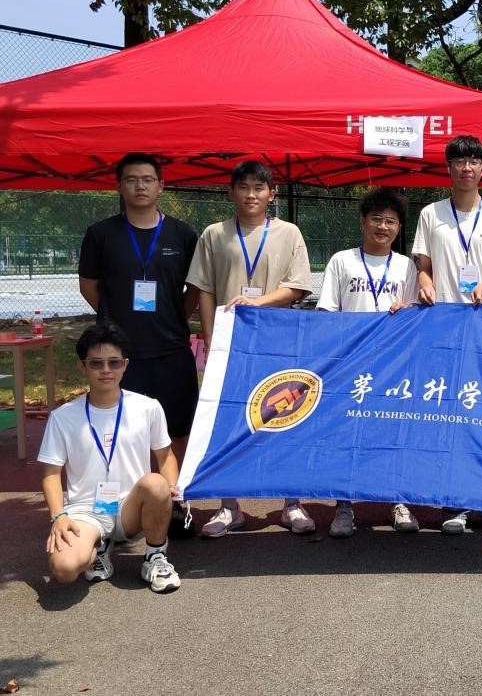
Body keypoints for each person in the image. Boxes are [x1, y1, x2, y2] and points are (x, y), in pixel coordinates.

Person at [186, 160, 316, 538]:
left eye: (259, 188)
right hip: (230, 346)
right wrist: (212, 340)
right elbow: (204, 290)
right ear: (231, 192)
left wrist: (257, 303)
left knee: (286, 418)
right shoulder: (214, 234)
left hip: (279, 344)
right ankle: (229, 506)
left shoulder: (289, 233)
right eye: (243, 187)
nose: (250, 194)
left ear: (271, 194)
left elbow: (298, 286)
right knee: (229, 422)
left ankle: (291, 503)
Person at [77, 153, 199, 537]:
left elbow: (195, 290)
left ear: (161, 186)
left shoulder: (183, 235)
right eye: (131, 179)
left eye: (147, 179)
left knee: (176, 431)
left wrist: (171, 318)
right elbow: (89, 286)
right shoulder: (100, 234)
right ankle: (118, 509)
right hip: (119, 356)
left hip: (170, 348)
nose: (140, 186)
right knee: (116, 431)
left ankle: (176, 503)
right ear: (119, 186)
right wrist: (114, 321)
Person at [411, 134, 482, 535]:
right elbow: (423, 267)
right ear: (449, 168)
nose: (466, 168)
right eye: (459, 161)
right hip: (443, 326)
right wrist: (425, 283)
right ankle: (454, 503)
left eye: (473, 161)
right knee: (450, 414)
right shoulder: (430, 213)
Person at [39, 323, 182, 593]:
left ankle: (155, 556)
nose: (106, 370)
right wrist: (58, 516)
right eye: (96, 363)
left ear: (125, 365)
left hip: (131, 506)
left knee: (156, 483)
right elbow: (50, 474)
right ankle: (98, 545)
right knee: (64, 569)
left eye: (114, 362)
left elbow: (165, 456)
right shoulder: (62, 417)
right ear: (82, 367)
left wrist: (171, 487)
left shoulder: (148, 407)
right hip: (87, 510)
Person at [316, 187, 420, 536]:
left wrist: (407, 310)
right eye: (377, 219)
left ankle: (397, 500)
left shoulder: (406, 266)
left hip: (393, 367)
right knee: (348, 436)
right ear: (363, 221)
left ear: (399, 227)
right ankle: (344, 506)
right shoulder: (341, 261)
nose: (383, 227)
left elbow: (415, 316)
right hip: (351, 367)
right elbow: (327, 314)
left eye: (391, 221)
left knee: (392, 434)